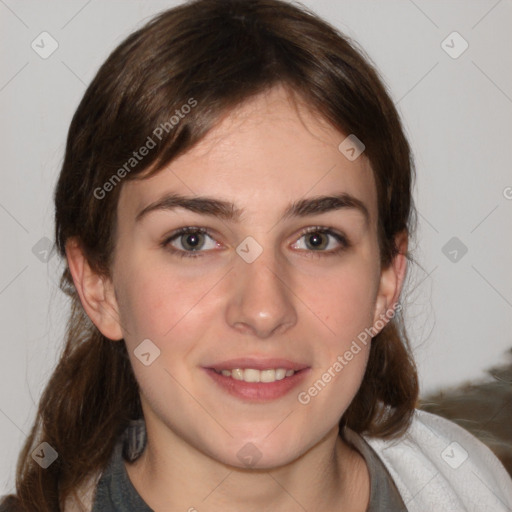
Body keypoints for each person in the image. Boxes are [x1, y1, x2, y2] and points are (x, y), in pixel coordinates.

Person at [1, 0, 511, 510]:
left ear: (386, 281)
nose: (264, 310)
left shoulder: (474, 484)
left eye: (317, 239)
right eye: (194, 240)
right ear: (99, 283)